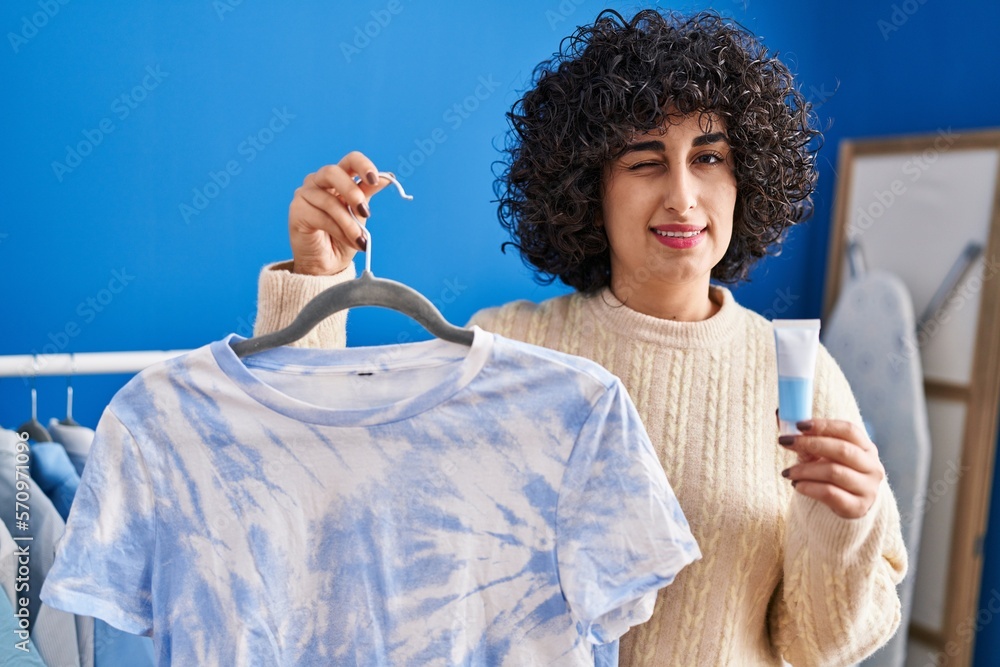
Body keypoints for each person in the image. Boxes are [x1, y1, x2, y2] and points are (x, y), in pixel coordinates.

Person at [251, 9, 907, 666]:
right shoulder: (503, 348)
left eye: (708, 158)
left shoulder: (801, 375)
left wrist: (846, 526)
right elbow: (327, 493)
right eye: (645, 161)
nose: (682, 195)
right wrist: (316, 280)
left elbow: (819, 644)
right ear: (592, 186)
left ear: (746, 179)